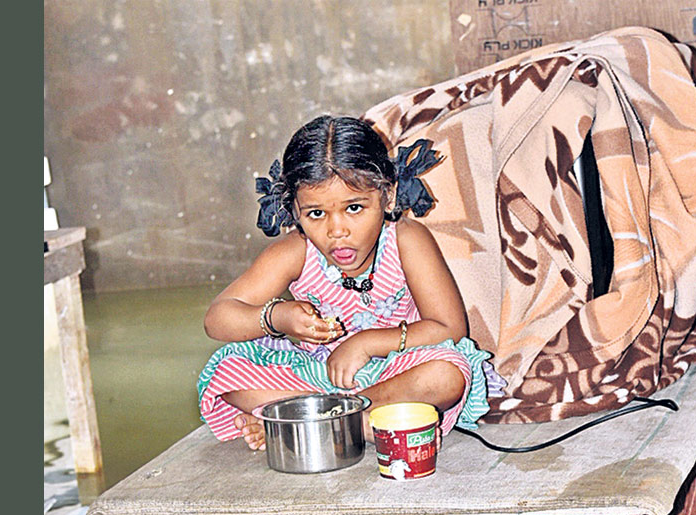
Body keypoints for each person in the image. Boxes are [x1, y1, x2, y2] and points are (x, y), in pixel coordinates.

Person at [197, 115, 494, 450]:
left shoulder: (406, 241)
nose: (337, 230)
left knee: (446, 375)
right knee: (225, 370)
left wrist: (367, 343)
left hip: (394, 371)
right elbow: (217, 318)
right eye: (316, 214)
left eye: (354, 207)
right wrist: (277, 318)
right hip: (315, 376)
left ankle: (307, 423)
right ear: (294, 209)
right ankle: (357, 424)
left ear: (387, 195)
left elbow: (449, 327)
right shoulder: (295, 253)